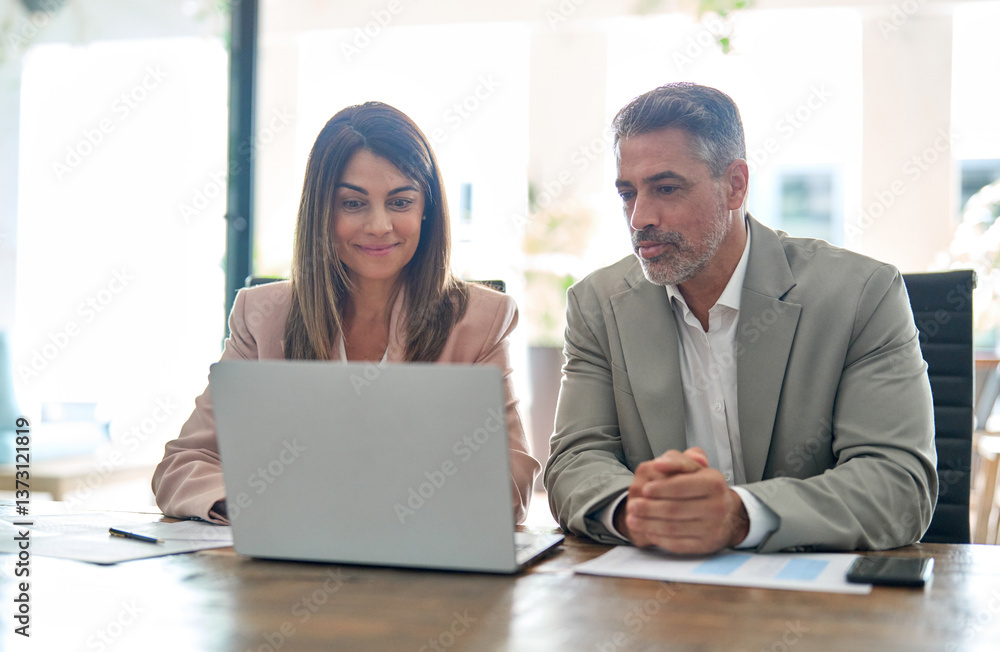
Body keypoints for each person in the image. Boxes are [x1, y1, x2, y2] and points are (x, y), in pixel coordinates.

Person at [543, 82, 938, 554]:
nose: (639, 217)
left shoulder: (861, 295)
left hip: (814, 601)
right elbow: (574, 460)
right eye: (628, 193)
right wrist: (638, 511)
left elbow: (897, 485)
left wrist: (739, 515)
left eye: (666, 188)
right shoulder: (596, 304)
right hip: (656, 593)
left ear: (735, 185)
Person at [153, 102, 540, 524]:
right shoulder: (263, 316)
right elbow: (185, 464)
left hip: (422, 566)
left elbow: (510, 488)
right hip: (290, 565)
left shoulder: (482, 320)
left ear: (425, 209)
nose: (378, 225)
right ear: (322, 210)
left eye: (400, 201)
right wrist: (252, 505)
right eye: (353, 204)